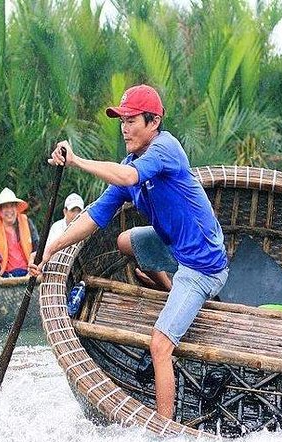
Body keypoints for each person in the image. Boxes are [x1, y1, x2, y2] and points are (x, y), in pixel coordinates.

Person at [29, 84, 228, 420]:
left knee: (160, 346)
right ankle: (169, 289)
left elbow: (130, 175)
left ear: (153, 122)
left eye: (131, 120)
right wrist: (49, 249)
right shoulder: (130, 162)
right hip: (173, 247)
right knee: (123, 241)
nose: (124, 127)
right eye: (121, 120)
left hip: (203, 266)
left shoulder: (166, 148)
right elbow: (93, 217)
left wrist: (76, 160)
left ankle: (164, 433)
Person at [0, 187, 39, 278]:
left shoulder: (27, 222)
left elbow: (38, 248)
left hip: (29, 272)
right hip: (5, 275)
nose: (9, 210)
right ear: (0, 211)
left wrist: (35, 269)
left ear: (16, 209)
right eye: (5, 207)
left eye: (12, 206)